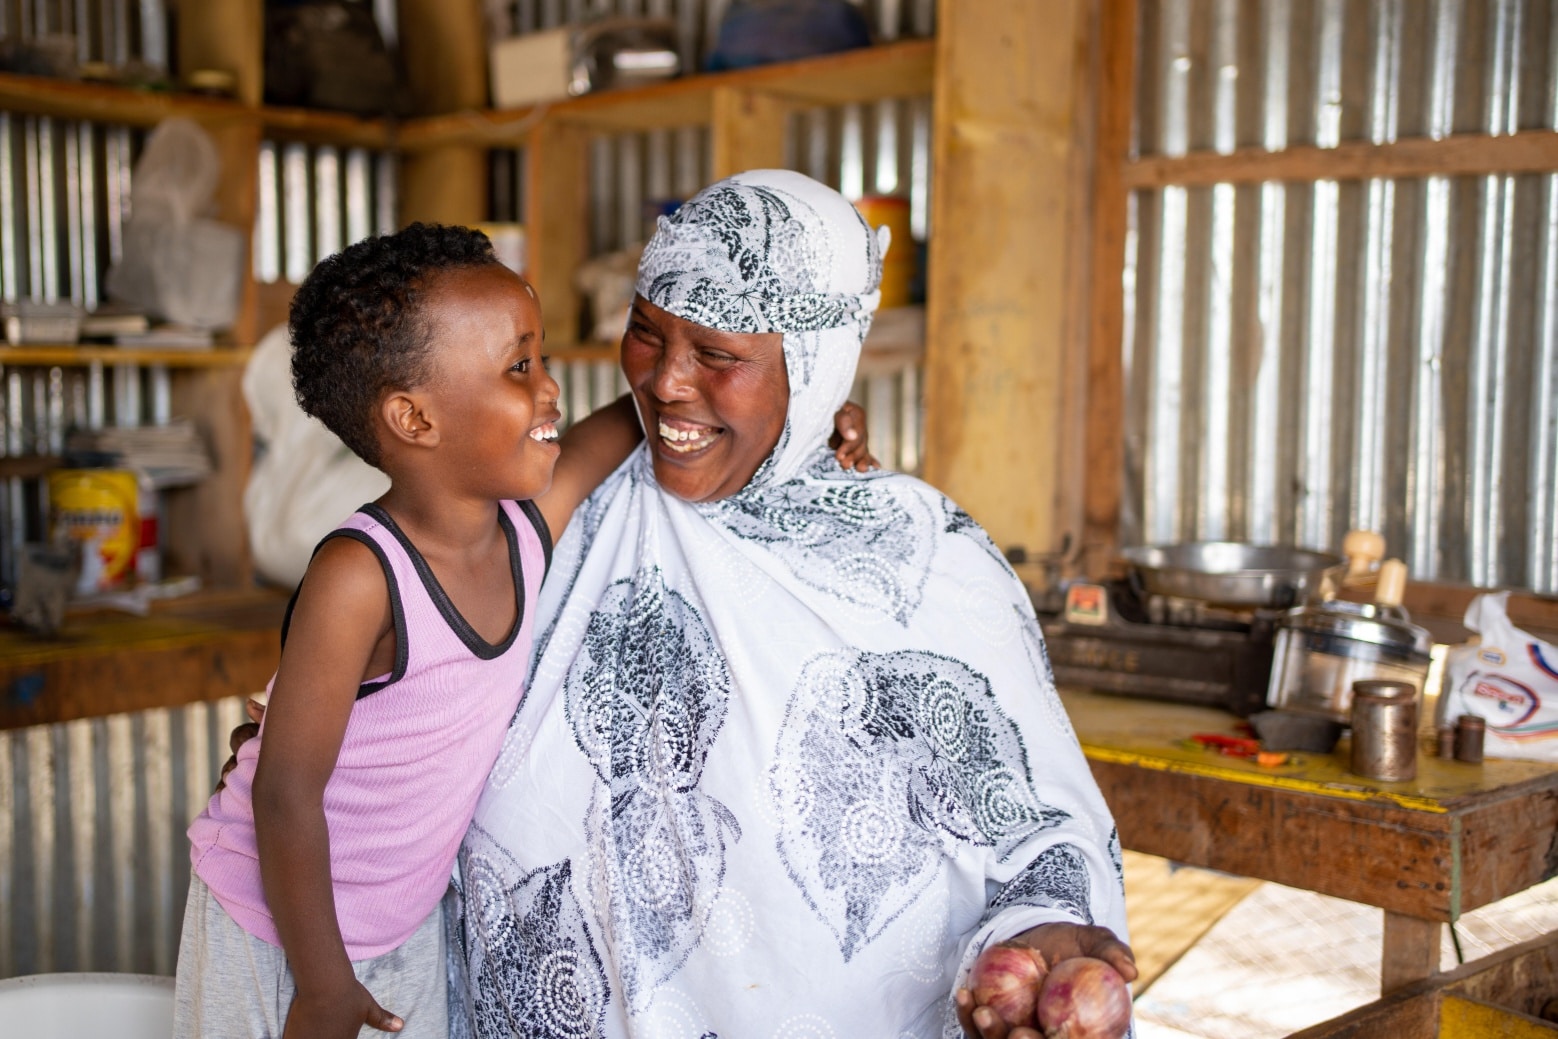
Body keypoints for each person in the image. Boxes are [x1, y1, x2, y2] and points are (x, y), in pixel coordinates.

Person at [445, 169, 1136, 1039]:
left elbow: (1035, 835)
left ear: (812, 368)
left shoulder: (928, 565)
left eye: (721, 356)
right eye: (647, 335)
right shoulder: (566, 514)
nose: (665, 383)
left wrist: (1038, 945)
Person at [183, 223, 874, 1039]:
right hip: (279, 928)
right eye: (520, 367)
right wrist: (326, 983)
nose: (551, 391)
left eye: (541, 360)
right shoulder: (360, 577)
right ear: (414, 417)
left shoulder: (520, 531)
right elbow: (284, 788)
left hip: (401, 923)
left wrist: (798, 404)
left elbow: (618, 428)